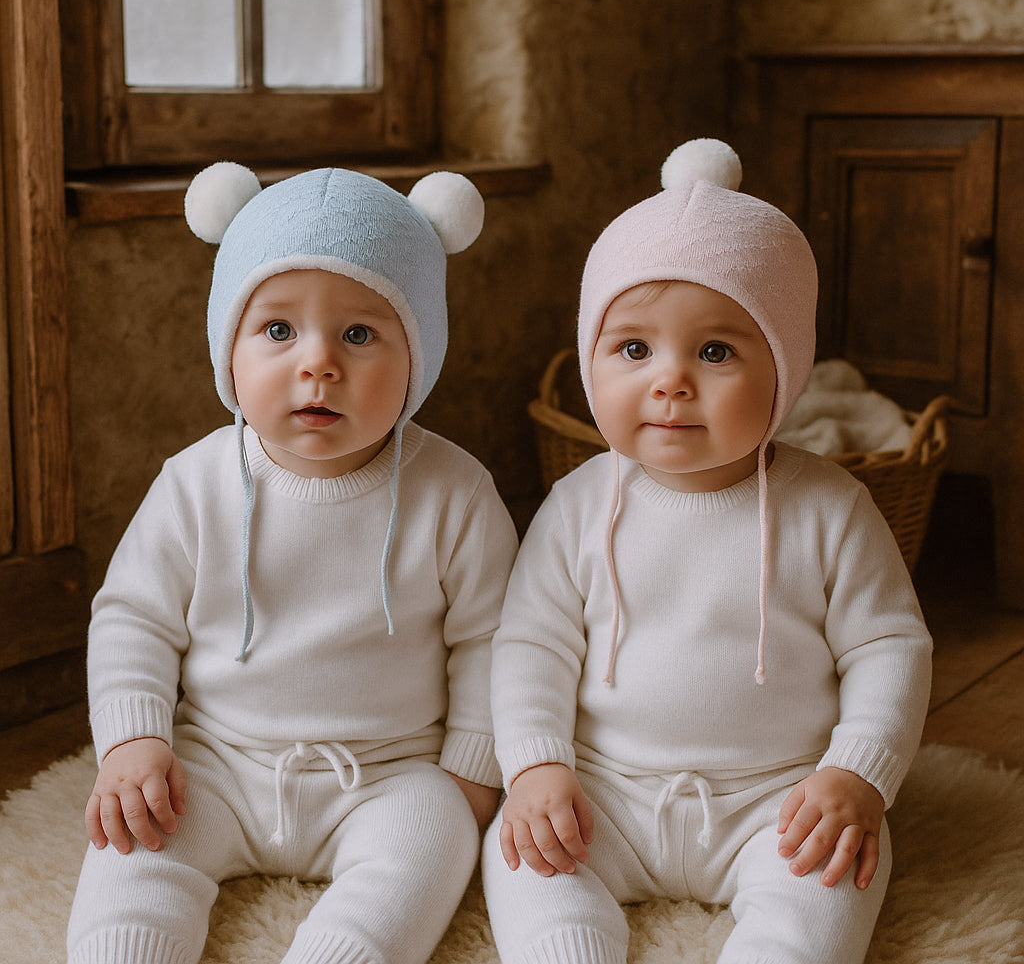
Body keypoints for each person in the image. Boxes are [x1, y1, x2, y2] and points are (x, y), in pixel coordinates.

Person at [482, 138, 933, 964]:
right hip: (603, 796)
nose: (670, 380)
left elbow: (891, 647)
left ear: (786, 368)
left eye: (716, 351)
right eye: (633, 348)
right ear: (592, 358)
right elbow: (531, 647)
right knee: (524, 861)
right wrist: (537, 766)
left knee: (832, 883)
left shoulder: (832, 508)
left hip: (783, 801)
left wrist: (858, 775)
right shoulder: (578, 504)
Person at [66, 163, 519, 964]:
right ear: (228, 348)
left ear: (419, 354)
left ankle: (343, 950)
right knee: (133, 848)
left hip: (386, 774)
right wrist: (134, 742)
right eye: (278, 330)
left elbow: (493, 640)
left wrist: (472, 772)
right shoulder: (196, 484)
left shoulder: (456, 493)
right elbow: (133, 616)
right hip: (215, 762)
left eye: (359, 334)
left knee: (436, 841)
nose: (319, 364)